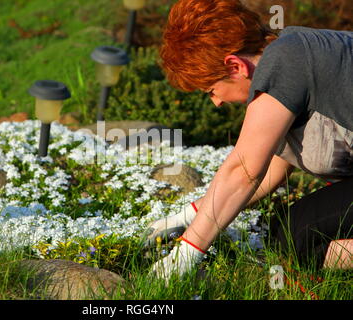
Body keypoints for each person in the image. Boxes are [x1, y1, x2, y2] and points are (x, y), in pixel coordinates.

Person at [143, 0, 353, 282]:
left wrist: (189, 251)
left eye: (211, 90)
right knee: (287, 236)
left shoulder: (285, 61)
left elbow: (245, 171)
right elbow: (273, 165)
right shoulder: (290, 51)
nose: (216, 102)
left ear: (235, 66)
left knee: (297, 238)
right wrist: (191, 214)